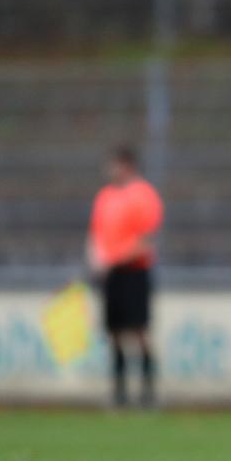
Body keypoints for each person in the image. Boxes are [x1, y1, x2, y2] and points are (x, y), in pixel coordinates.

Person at [87, 146, 164, 408]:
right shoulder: (105, 197)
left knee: (140, 332)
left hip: (135, 273)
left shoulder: (144, 195)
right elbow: (96, 235)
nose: (110, 171)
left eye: (114, 165)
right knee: (115, 333)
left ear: (127, 165)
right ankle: (119, 394)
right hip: (111, 276)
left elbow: (145, 241)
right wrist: (96, 260)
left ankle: (147, 393)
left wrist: (112, 260)